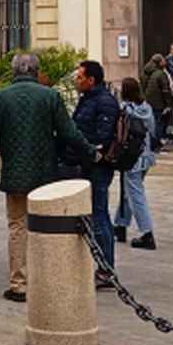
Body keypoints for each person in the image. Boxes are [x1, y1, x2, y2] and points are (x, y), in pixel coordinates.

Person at [0, 53, 92, 303]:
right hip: (45, 173)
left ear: (15, 72)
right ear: (37, 72)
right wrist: (90, 152)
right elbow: (69, 132)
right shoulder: (50, 97)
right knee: (46, 227)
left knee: (17, 226)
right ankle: (47, 277)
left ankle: (20, 283)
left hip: (14, 172)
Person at [71, 61, 121, 285]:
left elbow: (102, 136)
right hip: (86, 164)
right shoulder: (88, 99)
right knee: (96, 215)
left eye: (80, 77)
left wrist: (87, 149)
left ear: (91, 80)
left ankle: (106, 269)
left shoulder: (104, 102)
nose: (76, 80)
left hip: (98, 167)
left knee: (99, 216)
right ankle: (102, 265)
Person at [115, 77, 158, 251]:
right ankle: (120, 224)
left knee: (135, 194)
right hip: (146, 155)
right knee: (129, 191)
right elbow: (153, 130)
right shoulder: (146, 108)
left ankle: (147, 233)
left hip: (130, 156)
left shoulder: (124, 109)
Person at [142, 54, 173, 147]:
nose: (165, 61)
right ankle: (156, 143)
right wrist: (169, 103)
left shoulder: (145, 72)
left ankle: (150, 142)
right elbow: (165, 90)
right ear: (159, 62)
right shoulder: (160, 73)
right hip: (159, 102)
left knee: (150, 123)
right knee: (158, 122)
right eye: (163, 60)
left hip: (148, 101)